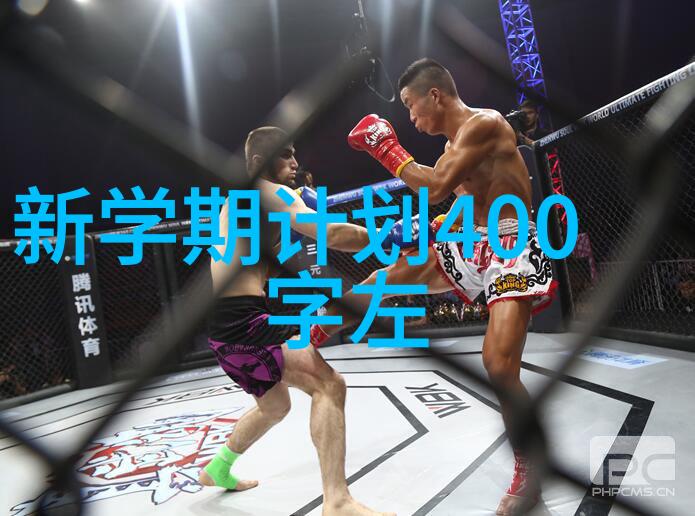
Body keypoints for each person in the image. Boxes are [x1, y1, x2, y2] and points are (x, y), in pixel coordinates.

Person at [312, 58, 557, 515]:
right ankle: (318, 332)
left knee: (498, 366)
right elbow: (459, 202)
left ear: (435, 95)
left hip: (511, 245)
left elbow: (438, 185)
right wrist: (432, 228)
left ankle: (530, 469)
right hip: (472, 241)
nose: (410, 116)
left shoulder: (485, 124)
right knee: (390, 275)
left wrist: (386, 149)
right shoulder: (451, 147)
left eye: (410, 105)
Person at [200, 126, 395, 516]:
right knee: (330, 385)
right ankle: (337, 501)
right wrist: (387, 236)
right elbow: (332, 235)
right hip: (245, 323)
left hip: (223, 327)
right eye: (285, 154)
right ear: (260, 162)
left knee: (275, 406)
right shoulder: (266, 192)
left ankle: (217, 467)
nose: (295, 162)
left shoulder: (237, 201)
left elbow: (279, 259)